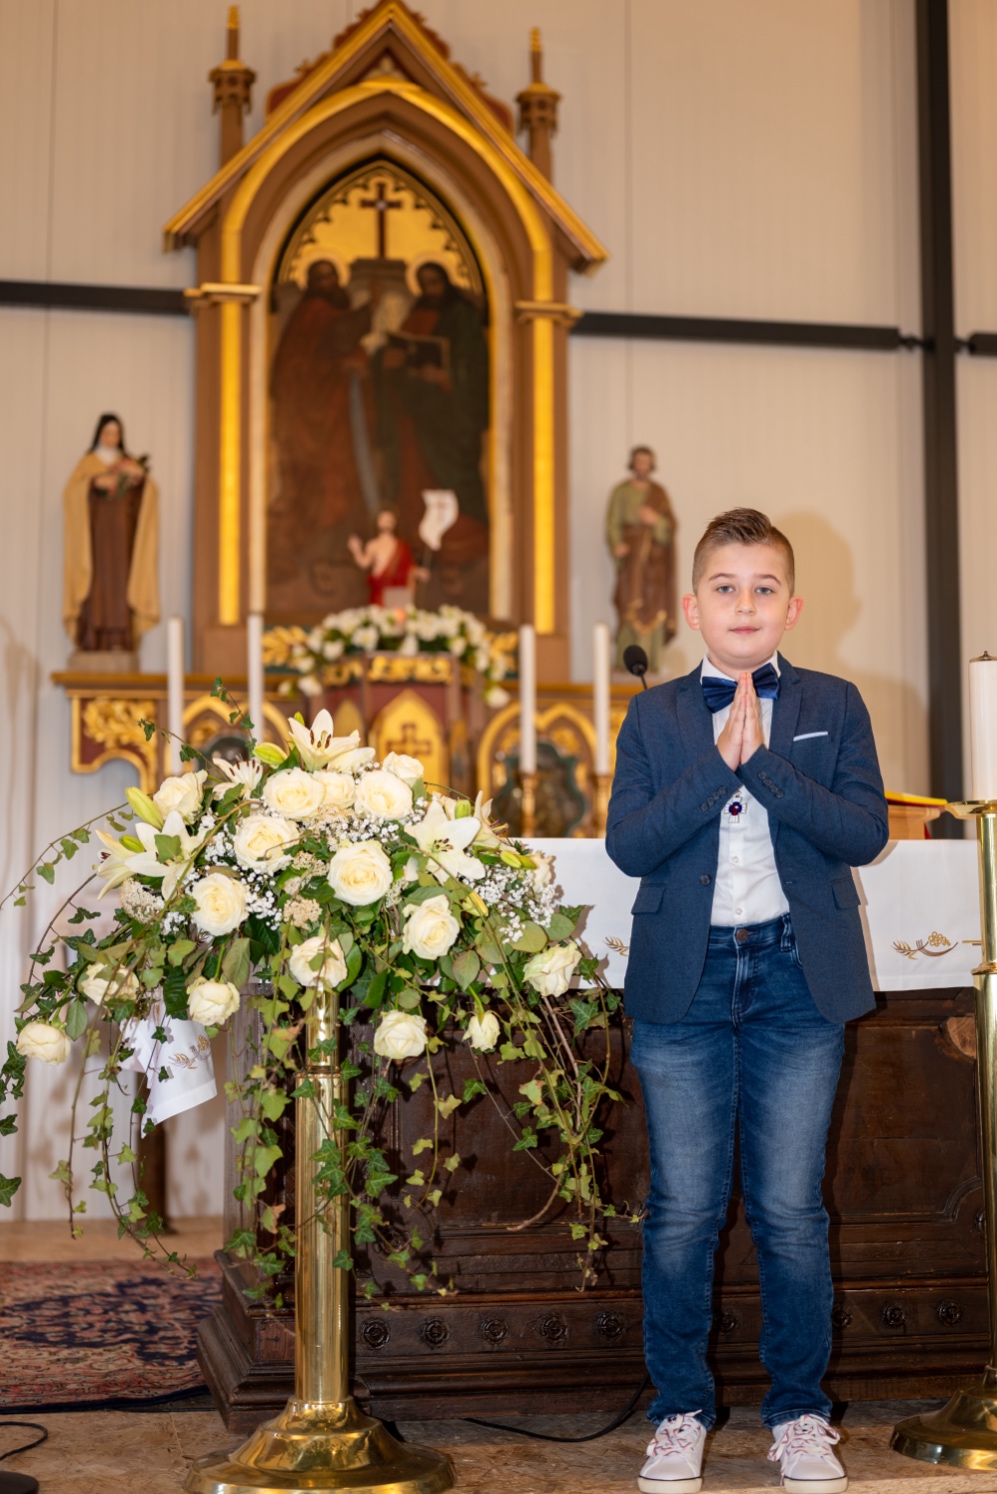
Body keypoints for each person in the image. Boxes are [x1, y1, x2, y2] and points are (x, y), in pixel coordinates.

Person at [606, 508, 887, 1493]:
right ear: (692, 606)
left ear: (791, 608)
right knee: (681, 1210)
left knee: (790, 1211)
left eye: (764, 588)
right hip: (683, 981)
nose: (744, 603)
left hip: (794, 977)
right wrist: (716, 763)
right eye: (724, 587)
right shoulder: (652, 716)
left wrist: (761, 762)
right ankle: (678, 1410)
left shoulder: (833, 702)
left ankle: (799, 1413)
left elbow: (861, 832)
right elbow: (629, 845)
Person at [373, 261, 489, 603]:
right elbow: (394, 357)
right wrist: (389, 363)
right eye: (424, 284)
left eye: (435, 283)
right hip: (414, 422)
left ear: (447, 283)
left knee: (447, 487)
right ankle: (417, 553)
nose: (430, 290)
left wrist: (445, 378)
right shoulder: (416, 315)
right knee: (414, 481)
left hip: (447, 423)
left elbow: (475, 368)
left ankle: (454, 555)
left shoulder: (462, 318)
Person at [62, 413, 159, 654]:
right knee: (95, 585)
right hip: (95, 539)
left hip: (122, 537)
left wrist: (137, 476)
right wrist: (94, 483)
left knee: (120, 584)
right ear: (99, 434)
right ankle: (91, 637)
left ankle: (120, 638)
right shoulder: (88, 463)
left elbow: (148, 493)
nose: (111, 437)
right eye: (107, 432)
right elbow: (71, 493)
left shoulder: (127, 463)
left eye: (116, 433)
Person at [606, 446, 677, 674]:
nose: (642, 466)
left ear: (651, 465)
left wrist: (656, 520)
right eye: (639, 461)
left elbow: (670, 526)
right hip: (631, 561)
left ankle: (652, 662)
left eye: (646, 462)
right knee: (629, 604)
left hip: (654, 563)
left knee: (655, 608)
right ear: (633, 464)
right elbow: (612, 523)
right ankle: (626, 663)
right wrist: (617, 544)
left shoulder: (659, 493)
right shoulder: (621, 492)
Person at [347, 508, 424, 606]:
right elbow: (364, 563)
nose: (387, 522)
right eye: (384, 520)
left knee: (396, 613)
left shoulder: (402, 546)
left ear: (394, 523)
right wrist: (356, 550)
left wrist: (418, 572)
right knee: (378, 613)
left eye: (390, 520)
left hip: (396, 590)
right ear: (377, 522)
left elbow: (409, 567)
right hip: (379, 588)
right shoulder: (373, 544)